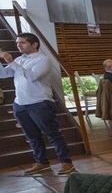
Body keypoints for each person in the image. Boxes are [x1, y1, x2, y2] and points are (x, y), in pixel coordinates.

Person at [1, 34, 76, 175]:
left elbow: (32, 77)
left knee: (53, 134)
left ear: (34, 44)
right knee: (32, 136)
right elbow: (4, 74)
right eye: (17, 43)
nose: (19, 45)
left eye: (22, 42)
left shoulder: (43, 60)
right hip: (20, 103)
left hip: (40, 103)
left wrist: (12, 62)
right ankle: (42, 162)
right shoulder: (19, 60)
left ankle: (66, 162)